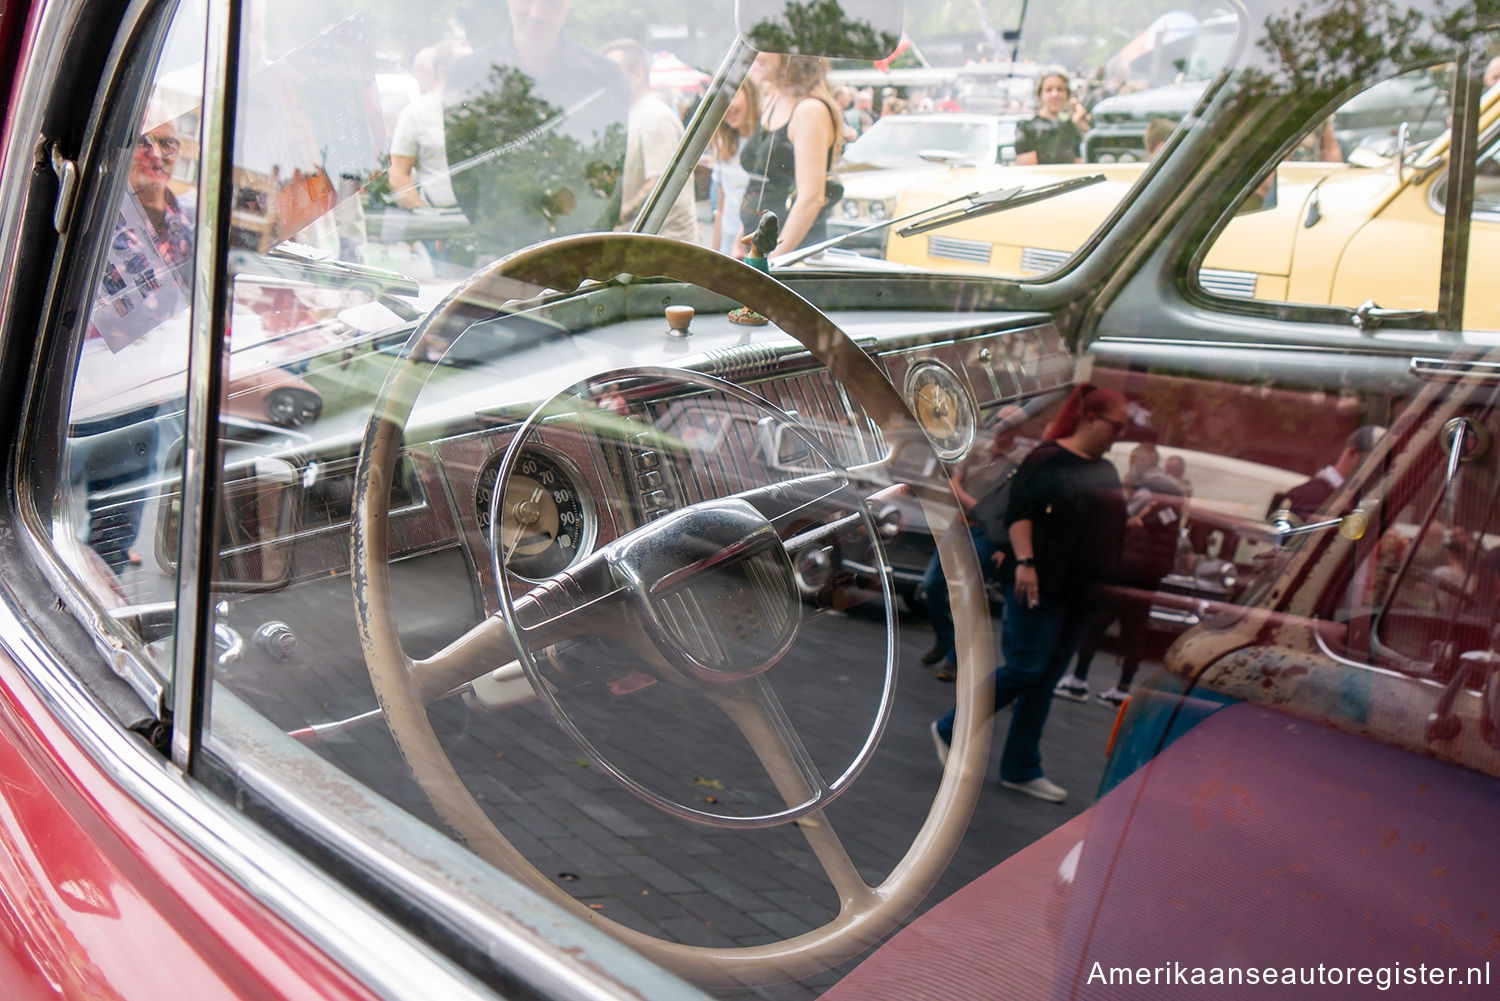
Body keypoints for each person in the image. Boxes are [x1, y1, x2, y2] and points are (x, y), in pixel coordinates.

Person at [930, 384, 1129, 803]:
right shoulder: (1048, 458)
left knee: (1044, 677)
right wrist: (1025, 562)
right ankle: (951, 727)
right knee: (1026, 667)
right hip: (1038, 581)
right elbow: (1021, 511)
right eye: (1117, 424)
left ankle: (1021, 767)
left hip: (1080, 590)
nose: (1121, 433)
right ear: (1090, 419)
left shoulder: (1105, 471)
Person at [441, 0, 630, 257]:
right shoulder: (468, 74)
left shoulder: (605, 78)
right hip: (499, 255)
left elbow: (609, 180)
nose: (537, 13)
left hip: (581, 256)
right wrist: (498, 235)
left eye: (551, 3)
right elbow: (463, 176)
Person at [1054, 442, 1185, 706]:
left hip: (1127, 567)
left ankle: (1078, 681)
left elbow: (1123, 520)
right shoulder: (1174, 491)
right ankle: (1122, 689)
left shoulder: (1146, 488)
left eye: (1135, 460)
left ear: (1144, 461)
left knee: (1096, 621)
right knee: (1135, 631)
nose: (1131, 465)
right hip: (1152, 573)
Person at [920, 405, 1032, 682]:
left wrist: (982, 515)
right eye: (999, 420)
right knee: (932, 585)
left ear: (1018, 429)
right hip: (959, 525)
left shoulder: (1020, 460)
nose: (1000, 426)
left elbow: (1012, 503)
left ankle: (955, 659)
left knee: (968, 597)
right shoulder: (978, 449)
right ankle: (946, 637)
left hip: (986, 534)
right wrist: (975, 504)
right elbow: (955, 481)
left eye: (1008, 423)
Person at [738, 52, 843, 257]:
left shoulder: (809, 109)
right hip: (762, 249)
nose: (757, 53)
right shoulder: (773, 100)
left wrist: (771, 263)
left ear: (789, 53)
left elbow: (811, 198)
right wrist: (742, 240)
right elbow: (761, 186)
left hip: (790, 256)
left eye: (766, 44)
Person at [602, 39, 698, 242]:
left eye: (612, 72)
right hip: (643, 244)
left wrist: (612, 217)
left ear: (637, 74)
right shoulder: (631, 115)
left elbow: (658, 184)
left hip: (665, 248)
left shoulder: (655, 117)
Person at [389, 39, 469, 212]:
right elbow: (398, 174)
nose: (473, 68)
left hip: (486, 220)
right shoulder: (415, 114)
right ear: (443, 71)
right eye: (466, 64)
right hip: (442, 219)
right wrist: (424, 213)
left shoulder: (482, 108)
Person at [1267, 425, 1385, 522]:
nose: (1380, 471)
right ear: (1352, 453)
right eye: (1375, 462)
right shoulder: (1309, 494)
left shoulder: (1360, 500)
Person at [710, 77, 759, 258]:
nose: (727, 107)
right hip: (728, 249)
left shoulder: (765, 143)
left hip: (753, 247)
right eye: (721, 103)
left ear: (750, 95)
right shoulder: (725, 146)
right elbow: (721, 210)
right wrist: (713, 254)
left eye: (732, 97)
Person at [1014, 71, 1090, 165]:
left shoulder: (1071, 128)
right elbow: (1029, 172)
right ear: (1040, 95)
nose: (1055, 94)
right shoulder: (1026, 128)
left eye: (1060, 89)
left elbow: (1078, 165)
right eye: (1049, 90)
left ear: (1067, 94)